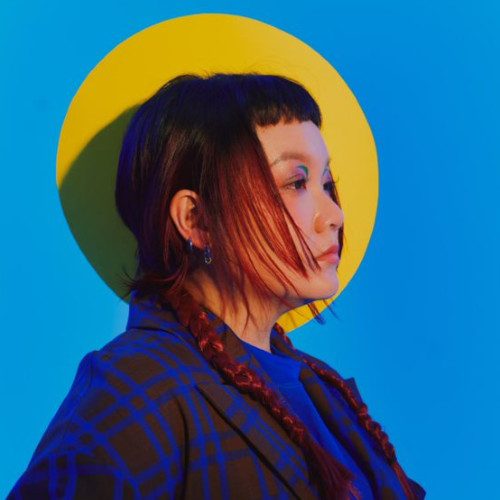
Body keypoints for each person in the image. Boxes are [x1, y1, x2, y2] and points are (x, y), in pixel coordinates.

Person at [8, 73, 425, 499]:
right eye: (297, 183)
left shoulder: (324, 387)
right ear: (196, 220)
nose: (334, 215)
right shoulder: (136, 384)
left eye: (327, 184)